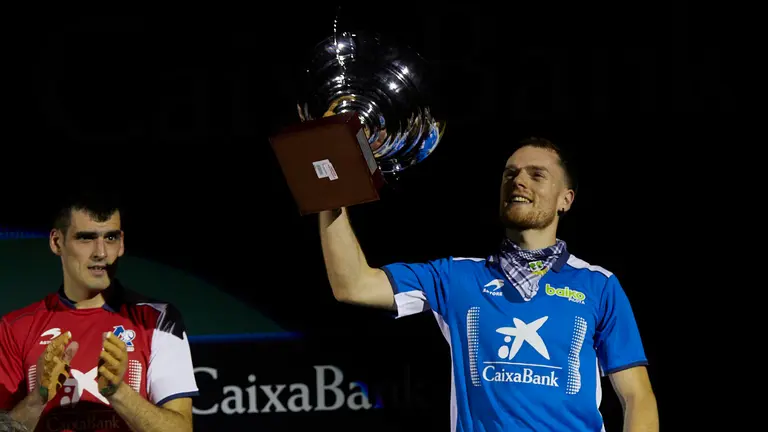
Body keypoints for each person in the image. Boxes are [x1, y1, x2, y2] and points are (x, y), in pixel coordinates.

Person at [319, 137, 659, 431]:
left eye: (536, 175)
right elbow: (354, 285)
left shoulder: (598, 285)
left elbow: (636, 396)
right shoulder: (456, 278)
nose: (518, 181)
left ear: (565, 200)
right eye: (510, 174)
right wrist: (329, 190)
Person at [0, 192, 199, 432]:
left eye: (111, 237)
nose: (101, 253)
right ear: (56, 242)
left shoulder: (158, 321)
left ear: (122, 242)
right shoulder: (14, 328)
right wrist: (37, 399)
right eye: (86, 238)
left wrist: (119, 392)